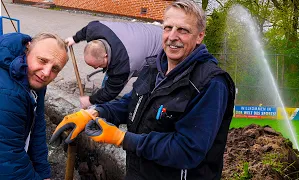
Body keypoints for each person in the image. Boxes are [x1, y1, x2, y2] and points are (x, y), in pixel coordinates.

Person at [51, 0, 235, 179]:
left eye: (183, 30)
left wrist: (122, 138)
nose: (172, 37)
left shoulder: (210, 84)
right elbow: (131, 103)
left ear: (200, 36)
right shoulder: (154, 66)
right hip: (139, 171)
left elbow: (187, 149)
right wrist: (96, 112)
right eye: (168, 28)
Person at [0, 32, 68, 180]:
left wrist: (44, 174)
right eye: (42, 60)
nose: (46, 73)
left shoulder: (33, 79)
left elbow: (37, 127)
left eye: (55, 69)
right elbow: (7, 160)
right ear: (27, 49)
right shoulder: (8, 92)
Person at [65, 21, 163, 109]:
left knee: (146, 86)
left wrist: (90, 100)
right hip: (146, 33)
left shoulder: (122, 66)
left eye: (98, 66)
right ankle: (100, 105)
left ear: (105, 56)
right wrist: (74, 39)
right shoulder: (94, 28)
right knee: (111, 76)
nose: (95, 68)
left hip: (161, 46)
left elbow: (110, 92)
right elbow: (86, 30)